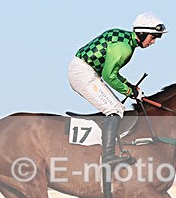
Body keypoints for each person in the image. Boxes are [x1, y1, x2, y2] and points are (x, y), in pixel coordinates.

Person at [68, 12, 168, 166]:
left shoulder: (124, 38)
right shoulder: (125, 48)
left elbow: (112, 73)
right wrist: (129, 91)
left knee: (116, 108)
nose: (154, 41)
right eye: (153, 37)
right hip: (83, 73)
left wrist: (130, 87)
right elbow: (109, 76)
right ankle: (108, 157)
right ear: (141, 33)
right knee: (115, 110)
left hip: (85, 70)